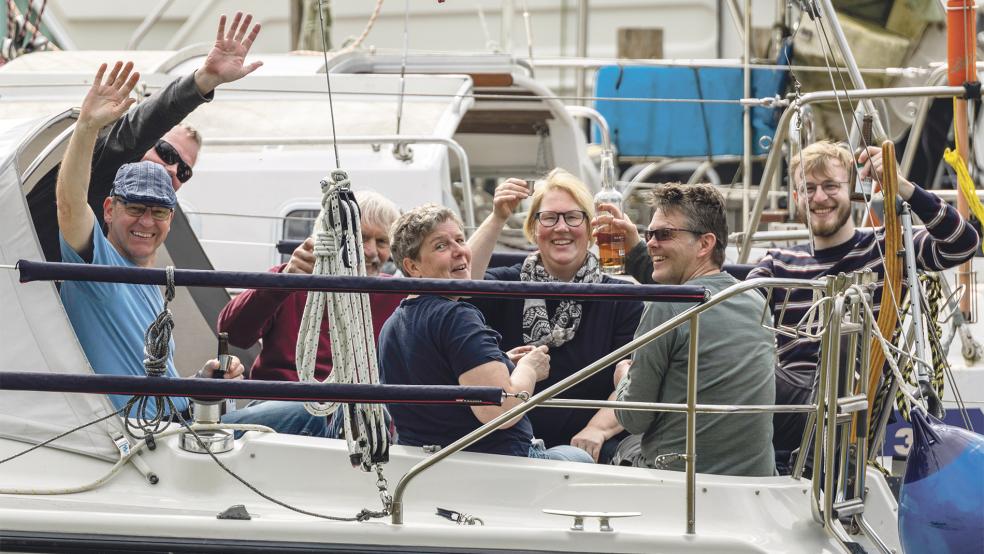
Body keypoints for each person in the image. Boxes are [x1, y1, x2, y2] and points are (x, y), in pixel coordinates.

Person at [56, 61, 326, 437]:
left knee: (328, 406)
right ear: (109, 209)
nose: (146, 222)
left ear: (170, 218)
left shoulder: (151, 284)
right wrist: (87, 127)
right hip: (151, 438)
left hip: (179, 423)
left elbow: (162, 385)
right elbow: (69, 204)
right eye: (135, 208)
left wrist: (203, 380)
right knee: (318, 413)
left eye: (158, 212)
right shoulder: (96, 262)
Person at [745, 140, 980, 461]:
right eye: (808, 188)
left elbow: (962, 243)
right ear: (797, 198)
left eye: (831, 186)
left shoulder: (889, 247)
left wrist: (904, 188)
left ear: (854, 192)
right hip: (787, 396)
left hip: (853, 393)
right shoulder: (777, 262)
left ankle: (816, 460)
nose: (819, 197)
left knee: (843, 338)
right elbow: (738, 313)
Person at [30, 11, 263, 262]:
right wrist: (205, 80)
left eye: (184, 171)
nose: (173, 169)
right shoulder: (102, 166)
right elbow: (143, 126)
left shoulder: (144, 236)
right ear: (109, 209)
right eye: (167, 153)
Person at [379, 204, 592, 462]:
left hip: (424, 465)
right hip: (498, 463)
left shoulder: (392, 325)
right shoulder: (456, 316)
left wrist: (500, 361)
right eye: (441, 246)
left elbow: (440, 374)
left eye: (460, 240)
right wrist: (529, 369)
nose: (459, 251)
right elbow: (500, 411)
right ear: (413, 267)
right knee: (580, 458)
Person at [466, 170, 643, 463]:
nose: (561, 228)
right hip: (511, 449)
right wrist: (497, 218)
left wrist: (598, 429)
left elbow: (636, 381)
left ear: (591, 229)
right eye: (549, 218)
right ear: (533, 229)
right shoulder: (506, 286)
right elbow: (457, 287)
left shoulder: (622, 299)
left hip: (593, 451)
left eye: (573, 217)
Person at [614, 184, 776, 477]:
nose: (651, 244)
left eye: (664, 234)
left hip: (682, 482)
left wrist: (622, 377)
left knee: (617, 447)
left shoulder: (666, 306)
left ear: (704, 244)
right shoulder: (756, 301)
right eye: (649, 234)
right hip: (757, 480)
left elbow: (634, 418)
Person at [217, 190, 402, 382]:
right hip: (283, 395)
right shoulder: (288, 280)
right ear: (328, 238)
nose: (371, 252)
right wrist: (282, 284)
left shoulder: (395, 295)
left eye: (382, 242)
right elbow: (232, 333)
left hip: (359, 399)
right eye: (360, 238)